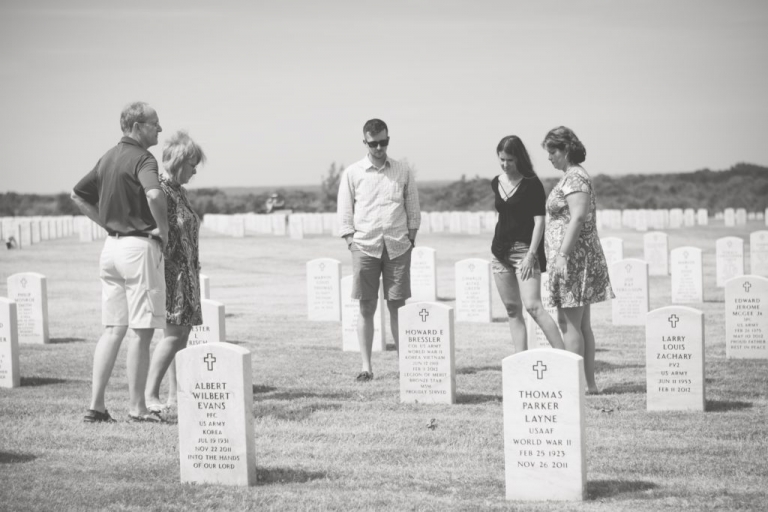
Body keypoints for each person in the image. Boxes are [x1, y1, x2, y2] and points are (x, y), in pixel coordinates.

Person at [71, 101, 168, 423]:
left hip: (111, 249)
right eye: (155, 124)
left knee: (113, 329)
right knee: (142, 330)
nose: (160, 129)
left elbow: (78, 194)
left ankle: (96, 406)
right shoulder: (143, 157)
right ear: (137, 126)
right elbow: (154, 195)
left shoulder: (108, 157)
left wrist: (107, 224)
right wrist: (163, 229)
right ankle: (137, 407)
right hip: (138, 248)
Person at [337, 119, 421, 382]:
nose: (379, 147)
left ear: (388, 139)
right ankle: (366, 366)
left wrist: (411, 238)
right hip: (365, 245)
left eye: (383, 142)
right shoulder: (353, 172)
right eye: (373, 143)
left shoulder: (402, 170)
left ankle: (403, 365)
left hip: (397, 245)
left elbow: (413, 207)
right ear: (365, 143)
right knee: (366, 306)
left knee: (398, 305)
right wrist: (351, 241)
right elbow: (345, 210)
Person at [542, 126, 614, 394]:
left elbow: (578, 216)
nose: (549, 157)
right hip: (575, 257)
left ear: (565, 150)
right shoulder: (573, 176)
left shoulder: (574, 178)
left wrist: (562, 255)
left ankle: (575, 385)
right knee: (581, 325)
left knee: (569, 324)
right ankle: (588, 385)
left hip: (573, 259)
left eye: (552, 151)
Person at [145, 131, 206, 412]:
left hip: (188, 274)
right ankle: (150, 395)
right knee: (171, 336)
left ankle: (175, 394)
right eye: (192, 165)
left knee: (182, 336)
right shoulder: (160, 191)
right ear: (179, 161)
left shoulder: (180, 192)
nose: (194, 171)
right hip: (171, 273)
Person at [490, 136, 565, 353]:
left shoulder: (532, 183)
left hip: (525, 252)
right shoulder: (496, 182)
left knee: (533, 306)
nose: (505, 164)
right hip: (499, 253)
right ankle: (520, 360)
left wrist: (531, 255)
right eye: (502, 159)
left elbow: (539, 221)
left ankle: (564, 358)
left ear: (519, 158)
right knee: (512, 310)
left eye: (510, 160)